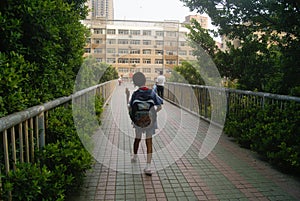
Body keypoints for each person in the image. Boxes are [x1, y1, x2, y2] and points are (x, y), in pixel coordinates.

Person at [126, 72, 163, 176]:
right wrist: (152, 113)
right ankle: (148, 166)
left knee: (137, 138)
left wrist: (127, 96)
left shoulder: (135, 94)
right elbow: (160, 106)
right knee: (149, 141)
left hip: (138, 121)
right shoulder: (152, 93)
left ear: (135, 83)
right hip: (150, 121)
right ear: (145, 80)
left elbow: (130, 108)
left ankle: (135, 156)